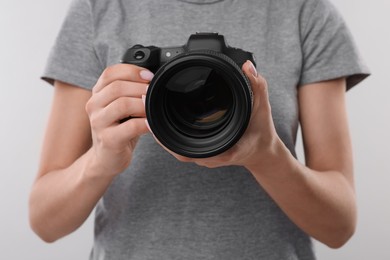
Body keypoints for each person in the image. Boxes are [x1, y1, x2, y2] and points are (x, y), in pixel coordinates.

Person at [29, 0, 369, 259]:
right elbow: (45, 221)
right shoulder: (100, 8)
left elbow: (338, 226)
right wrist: (102, 160)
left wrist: (267, 155)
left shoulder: (304, 10)